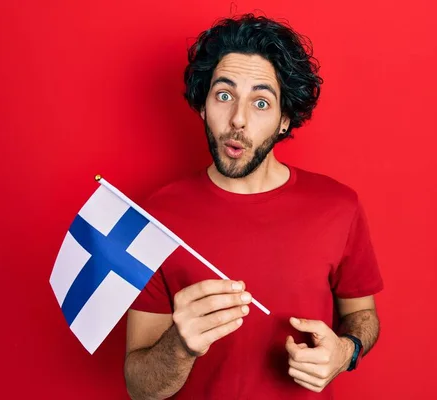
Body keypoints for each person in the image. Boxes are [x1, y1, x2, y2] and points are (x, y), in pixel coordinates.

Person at [124, 13, 384, 400]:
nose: (238, 120)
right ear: (202, 105)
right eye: (224, 95)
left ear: (284, 119)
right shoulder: (156, 217)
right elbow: (139, 388)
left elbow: (363, 316)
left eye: (261, 102)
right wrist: (179, 346)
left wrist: (347, 350)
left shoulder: (339, 206)